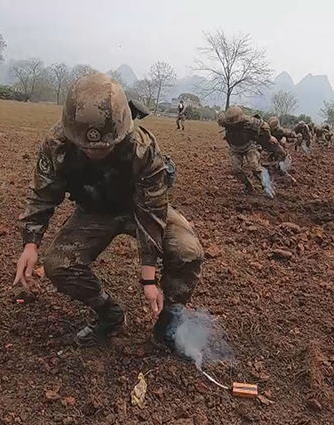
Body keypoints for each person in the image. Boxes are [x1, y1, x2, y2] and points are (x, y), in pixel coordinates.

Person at [14, 73, 203, 351]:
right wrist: (31, 243)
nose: (95, 153)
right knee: (58, 265)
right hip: (93, 212)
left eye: (104, 147)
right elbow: (43, 193)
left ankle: (170, 323)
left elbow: (152, 211)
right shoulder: (57, 144)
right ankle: (110, 315)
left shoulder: (143, 149)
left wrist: (149, 277)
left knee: (188, 251)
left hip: (138, 207)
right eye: (86, 146)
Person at [218, 106, 279, 198]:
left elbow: (264, 126)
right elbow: (220, 116)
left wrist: (269, 138)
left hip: (250, 145)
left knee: (254, 166)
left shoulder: (250, 121)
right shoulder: (225, 120)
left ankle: (267, 186)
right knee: (236, 169)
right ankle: (248, 186)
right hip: (234, 148)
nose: (233, 125)